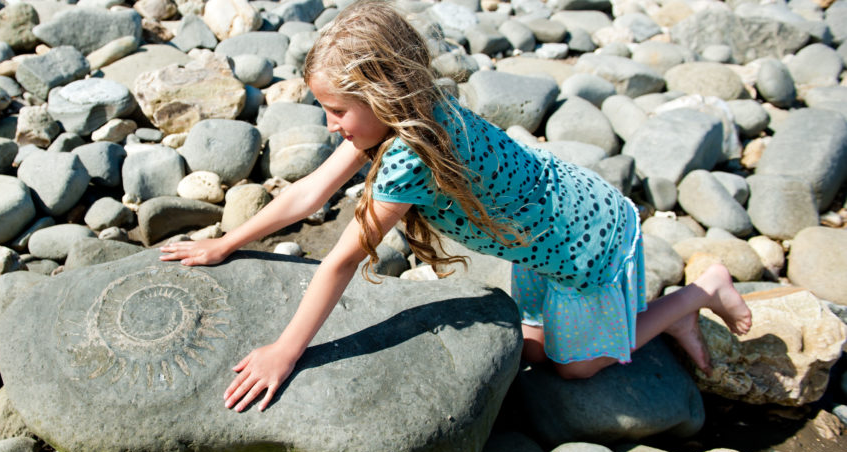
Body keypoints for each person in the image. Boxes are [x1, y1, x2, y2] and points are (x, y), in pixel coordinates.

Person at [160, 0, 752, 413]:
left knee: (573, 368)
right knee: (529, 344)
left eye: (338, 109)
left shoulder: (412, 150)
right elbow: (309, 193)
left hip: (582, 244)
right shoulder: (403, 116)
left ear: (383, 93)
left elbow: (341, 260)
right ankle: (652, 314)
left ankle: (694, 297)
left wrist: (286, 353)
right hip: (547, 234)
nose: (331, 124)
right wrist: (225, 242)